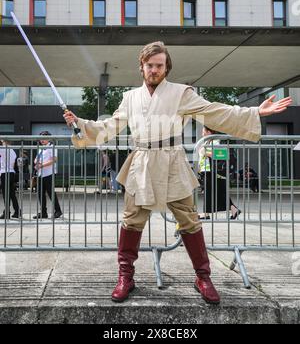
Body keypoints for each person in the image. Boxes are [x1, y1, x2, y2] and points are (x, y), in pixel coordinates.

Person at [64, 41, 292, 305]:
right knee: (131, 220)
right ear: (142, 67)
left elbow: (214, 111)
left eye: (159, 65)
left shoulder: (182, 93)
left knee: (189, 220)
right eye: (150, 65)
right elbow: (109, 127)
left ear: (166, 67)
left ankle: (203, 277)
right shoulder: (129, 97)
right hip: (141, 162)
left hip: (173, 160)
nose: (154, 70)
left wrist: (254, 112)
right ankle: (125, 276)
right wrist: (79, 124)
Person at [198, 126, 241, 220]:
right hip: (207, 170)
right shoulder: (208, 142)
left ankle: (206, 213)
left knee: (209, 192)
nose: (202, 133)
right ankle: (234, 210)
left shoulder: (216, 141)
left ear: (209, 132)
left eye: (203, 131)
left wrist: (206, 153)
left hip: (212, 170)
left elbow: (221, 155)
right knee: (219, 192)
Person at [33, 131, 62, 220]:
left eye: (44, 138)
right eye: (41, 138)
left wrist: (41, 165)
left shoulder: (51, 147)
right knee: (40, 194)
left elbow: (54, 160)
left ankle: (58, 211)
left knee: (51, 193)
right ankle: (43, 212)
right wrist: (36, 163)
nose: (42, 140)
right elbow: (36, 159)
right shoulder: (41, 148)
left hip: (49, 173)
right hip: (40, 174)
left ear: (49, 138)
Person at [0, 140, 21, 219]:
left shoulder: (3, 149)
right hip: (11, 173)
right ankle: (17, 211)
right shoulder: (12, 151)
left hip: (5, 173)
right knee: (12, 194)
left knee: (6, 194)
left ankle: (7, 213)